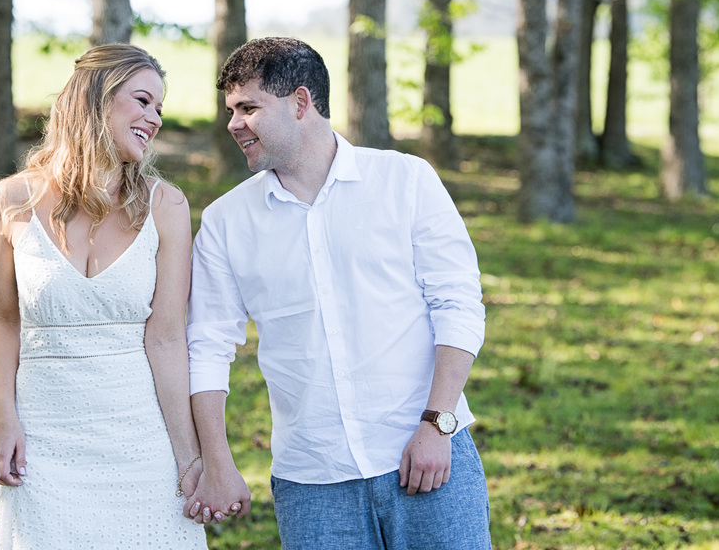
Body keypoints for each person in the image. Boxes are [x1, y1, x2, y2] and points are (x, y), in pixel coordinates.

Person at [185, 37, 491, 549]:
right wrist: (218, 463)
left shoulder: (405, 180)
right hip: (313, 481)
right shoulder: (224, 222)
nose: (234, 124)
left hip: (427, 454)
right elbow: (207, 347)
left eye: (248, 108)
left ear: (300, 102)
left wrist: (438, 425)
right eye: (231, 110)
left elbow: (457, 304)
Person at [0, 44, 206, 549]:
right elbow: (2, 321)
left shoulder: (166, 205)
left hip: (142, 444)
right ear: (95, 98)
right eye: (143, 101)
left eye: (159, 108)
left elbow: (167, 339)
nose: (155, 119)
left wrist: (190, 457)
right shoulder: (9, 201)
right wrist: (4, 417)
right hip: (41, 444)